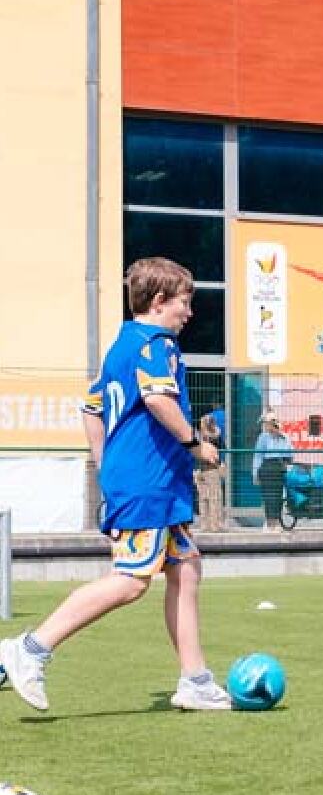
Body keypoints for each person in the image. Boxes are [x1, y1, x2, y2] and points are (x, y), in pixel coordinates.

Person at [0, 257, 230, 713]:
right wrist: (194, 444)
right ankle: (30, 649)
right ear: (159, 301)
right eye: (184, 303)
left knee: (186, 569)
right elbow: (158, 399)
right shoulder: (156, 345)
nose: (189, 313)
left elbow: (91, 407)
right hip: (149, 485)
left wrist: (107, 463)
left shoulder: (122, 345)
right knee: (130, 581)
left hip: (155, 486)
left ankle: (195, 680)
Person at [252, 412, 293, 530]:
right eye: (266, 424)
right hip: (267, 467)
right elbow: (258, 455)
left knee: (278, 496)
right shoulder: (263, 437)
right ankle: (269, 523)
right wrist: (255, 473)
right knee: (268, 496)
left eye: (268, 423)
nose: (266, 426)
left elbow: (289, 454)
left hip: (280, 468)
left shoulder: (284, 437)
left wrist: (280, 436)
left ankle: (276, 522)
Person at [194, 412, 226, 531]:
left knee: (204, 498)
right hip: (211, 469)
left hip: (201, 469)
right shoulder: (216, 436)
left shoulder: (198, 438)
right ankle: (215, 525)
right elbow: (222, 448)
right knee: (214, 497)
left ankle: (205, 524)